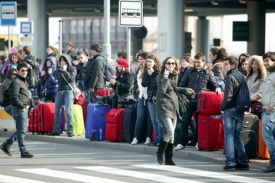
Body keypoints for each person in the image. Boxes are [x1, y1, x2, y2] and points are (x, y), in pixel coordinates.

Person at [175, 53, 222, 151]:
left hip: (202, 101)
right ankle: (181, 143)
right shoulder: (189, 71)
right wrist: (185, 94)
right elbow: (181, 85)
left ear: (203, 62)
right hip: (189, 100)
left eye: (199, 62)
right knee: (185, 121)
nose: (196, 64)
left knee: (199, 123)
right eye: (195, 62)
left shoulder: (208, 72)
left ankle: (198, 142)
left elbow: (213, 84)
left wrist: (217, 88)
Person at [156, 56, 194, 165]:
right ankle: (159, 152)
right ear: (165, 64)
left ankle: (169, 158)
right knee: (170, 131)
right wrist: (166, 77)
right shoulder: (160, 76)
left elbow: (175, 89)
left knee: (172, 135)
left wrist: (185, 90)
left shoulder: (175, 76)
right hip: (164, 106)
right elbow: (162, 90)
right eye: (168, 63)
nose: (171, 65)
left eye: (173, 63)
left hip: (174, 106)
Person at [221, 56, 249, 171]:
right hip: (240, 109)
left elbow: (228, 96)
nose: (224, 66)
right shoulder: (242, 76)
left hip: (231, 109)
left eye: (226, 64)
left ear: (232, 65)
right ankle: (243, 161)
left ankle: (230, 162)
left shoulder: (230, 77)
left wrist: (222, 107)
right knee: (237, 135)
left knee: (229, 136)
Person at [0, 62, 34, 158]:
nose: (25, 72)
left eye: (26, 70)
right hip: (19, 109)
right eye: (22, 70)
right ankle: (23, 151)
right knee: (22, 130)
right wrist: (22, 106)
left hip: (23, 108)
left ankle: (7, 145)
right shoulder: (16, 82)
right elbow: (14, 97)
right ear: (18, 71)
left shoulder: (22, 80)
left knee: (21, 130)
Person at [49, 54, 77, 137]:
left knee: (68, 111)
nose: (62, 62)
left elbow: (71, 79)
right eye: (61, 60)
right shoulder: (58, 69)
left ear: (68, 61)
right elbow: (56, 79)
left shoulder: (72, 68)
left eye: (64, 60)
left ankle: (70, 130)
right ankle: (56, 130)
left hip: (68, 91)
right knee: (57, 111)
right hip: (59, 91)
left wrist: (65, 71)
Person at [142, 55, 165, 146]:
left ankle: (161, 138)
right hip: (149, 97)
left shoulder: (159, 72)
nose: (148, 63)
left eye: (150, 61)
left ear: (155, 63)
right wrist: (148, 75)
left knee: (159, 119)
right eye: (147, 61)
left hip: (157, 97)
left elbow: (160, 85)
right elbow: (144, 84)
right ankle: (157, 138)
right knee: (153, 120)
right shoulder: (147, 72)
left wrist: (156, 95)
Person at [131, 61, 153, 145]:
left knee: (149, 117)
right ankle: (136, 136)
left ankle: (148, 137)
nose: (141, 69)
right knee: (140, 117)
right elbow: (139, 84)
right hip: (141, 96)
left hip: (149, 96)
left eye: (142, 67)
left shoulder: (150, 73)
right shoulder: (139, 73)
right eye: (140, 67)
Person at [261, 51, 275, 172]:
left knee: (267, 136)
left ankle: (273, 161)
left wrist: (271, 105)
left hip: (271, 111)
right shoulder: (269, 75)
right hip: (267, 108)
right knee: (272, 136)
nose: (265, 63)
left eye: (268, 60)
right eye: (264, 60)